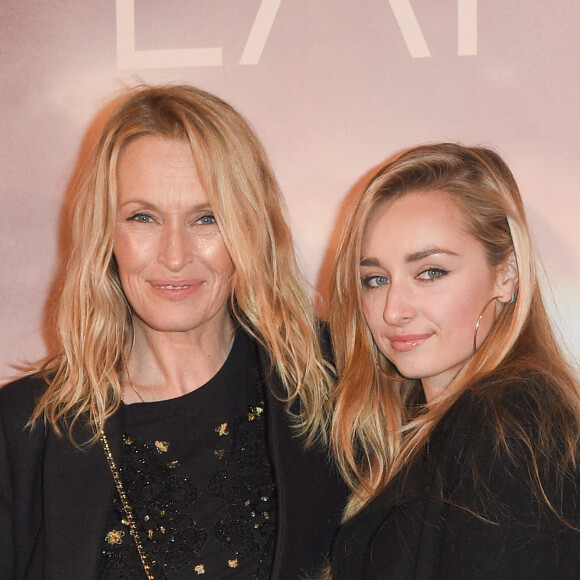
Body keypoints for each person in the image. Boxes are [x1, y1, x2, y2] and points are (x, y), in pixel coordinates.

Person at [0, 84, 346, 580]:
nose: (175, 255)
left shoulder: (334, 378)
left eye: (207, 218)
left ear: (250, 228)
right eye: (143, 218)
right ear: (105, 234)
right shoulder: (26, 431)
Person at [327, 143, 580, 578]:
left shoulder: (512, 425)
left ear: (506, 274)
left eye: (431, 272)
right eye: (375, 279)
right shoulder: (431, 424)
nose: (393, 310)